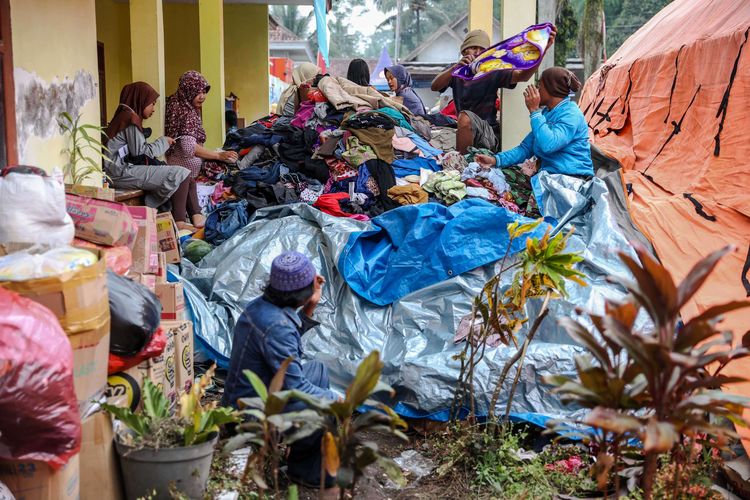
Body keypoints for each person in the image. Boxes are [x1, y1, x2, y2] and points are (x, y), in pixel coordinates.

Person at [222, 251, 337, 487]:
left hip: (252, 394)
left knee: (318, 369)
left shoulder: (261, 307)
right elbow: (295, 386)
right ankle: (306, 473)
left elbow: (284, 345)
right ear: (301, 293)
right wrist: (338, 399)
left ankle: (300, 453)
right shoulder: (276, 325)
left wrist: (310, 305)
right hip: (249, 415)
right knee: (326, 410)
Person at [431, 28, 556, 153]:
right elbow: (435, 86)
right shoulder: (457, 71)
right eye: (474, 48)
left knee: (464, 117)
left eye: (482, 49)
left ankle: (462, 165)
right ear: (464, 51)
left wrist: (541, 51)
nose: (478, 52)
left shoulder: (492, 70)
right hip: (465, 129)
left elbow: (523, 76)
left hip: (488, 133)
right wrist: (455, 68)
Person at [475, 67, 594, 178]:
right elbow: (525, 148)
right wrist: (495, 160)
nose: (537, 90)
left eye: (539, 86)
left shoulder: (571, 114)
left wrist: (534, 111)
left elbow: (549, 145)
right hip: (550, 176)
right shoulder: (547, 113)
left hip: (572, 180)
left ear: (551, 89)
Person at [103, 82, 193, 224]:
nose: (154, 109)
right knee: (180, 174)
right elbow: (142, 152)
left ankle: (196, 217)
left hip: (121, 170)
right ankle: (180, 223)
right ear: (141, 100)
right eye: (152, 103)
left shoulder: (125, 117)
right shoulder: (129, 118)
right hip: (119, 172)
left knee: (187, 175)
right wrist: (163, 142)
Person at [165, 71, 238, 228]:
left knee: (192, 197)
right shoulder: (186, 112)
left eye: (204, 91)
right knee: (181, 215)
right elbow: (188, 147)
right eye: (198, 92)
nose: (202, 96)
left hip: (185, 172)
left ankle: (195, 218)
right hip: (181, 168)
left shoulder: (180, 105)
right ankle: (181, 224)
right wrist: (218, 156)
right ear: (188, 90)